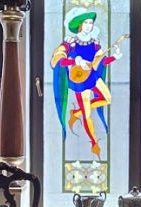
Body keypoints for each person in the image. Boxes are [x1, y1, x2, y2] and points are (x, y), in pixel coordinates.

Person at [52, 8, 125, 156]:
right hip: (79, 80)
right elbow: (57, 60)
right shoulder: (70, 43)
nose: (88, 26)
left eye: (90, 23)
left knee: (108, 99)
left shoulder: (95, 42)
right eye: (85, 23)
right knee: (87, 115)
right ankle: (94, 142)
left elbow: (101, 61)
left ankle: (76, 112)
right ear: (79, 25)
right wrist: (76, 61)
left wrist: (114, 57)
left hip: (92, 76)